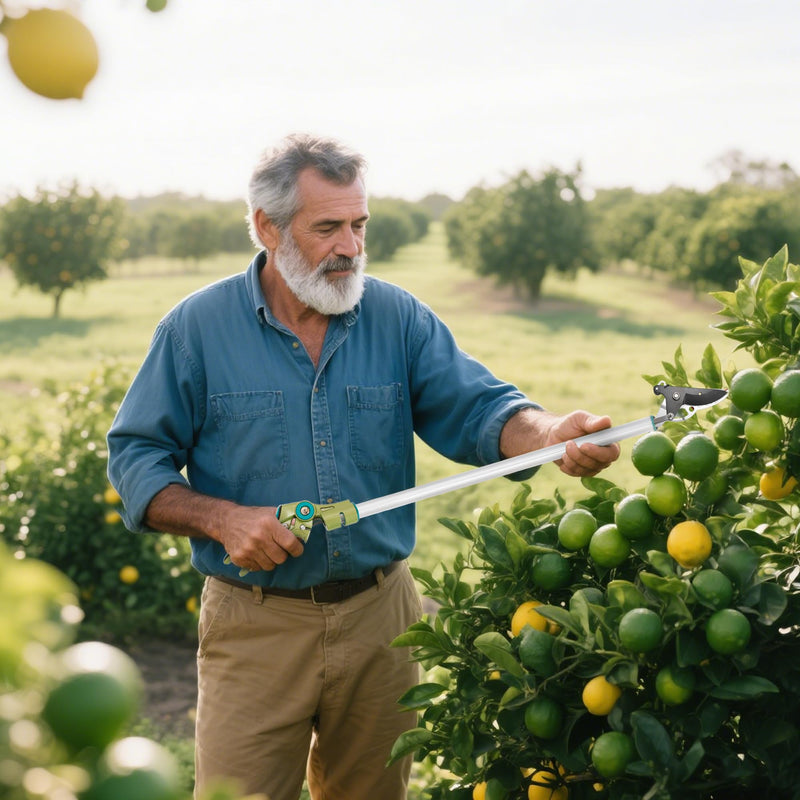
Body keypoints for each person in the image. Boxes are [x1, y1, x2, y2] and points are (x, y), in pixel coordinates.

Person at [106, 133, 619, 800]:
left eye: (359, 224)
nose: (350, 246)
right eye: (328, 227)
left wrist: (552, 433)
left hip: (383, 619)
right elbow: (136, 455)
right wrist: (223, 518)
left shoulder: (397, 318)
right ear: (267, 227)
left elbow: (478, 410)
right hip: (255, 622)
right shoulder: (195, 330)